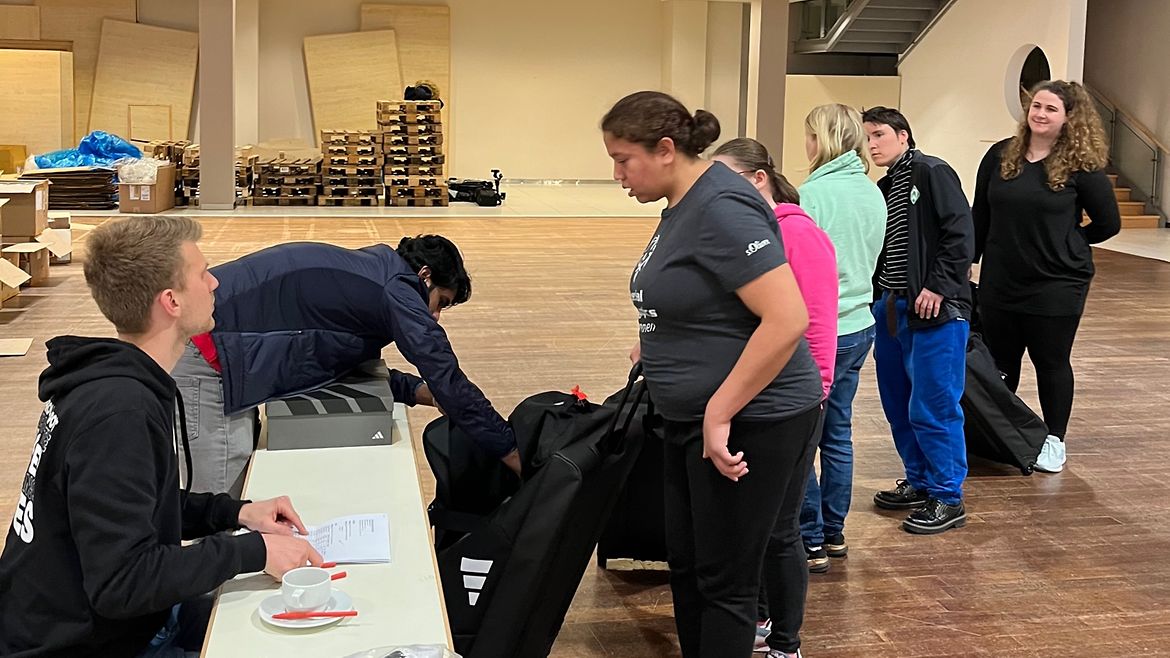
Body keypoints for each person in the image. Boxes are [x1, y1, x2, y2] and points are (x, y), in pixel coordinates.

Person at [0, 216, 323, 657]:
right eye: (203, 274)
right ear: (170, 300)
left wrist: (238, 513)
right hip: (84, 642)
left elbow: (138, 507)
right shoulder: (118, 414)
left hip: (119, 622)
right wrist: (252, 553)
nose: (214, 283)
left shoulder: (116, 386)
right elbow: (123, 582)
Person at [604, 91, 824, 658]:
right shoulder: (681, 205)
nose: (617, 175)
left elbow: (787, 317)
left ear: (667, 150)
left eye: (624, 159)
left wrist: (720, 411)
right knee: (690, 567)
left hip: (754, 418)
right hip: (691, 416)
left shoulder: (721, 205)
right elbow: (704, 296)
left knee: (726, 583)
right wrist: (659, 341)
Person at [173, 236, 520, 497]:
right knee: (217, 508)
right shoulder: (396, 287)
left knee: (237, 494)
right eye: (440, 301)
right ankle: (196, 594)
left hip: (226, 358)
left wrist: (418, 392)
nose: (435, 315)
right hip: (209, 358)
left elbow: (340, 361)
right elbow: (443, 369)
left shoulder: (372, 277)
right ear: (425, 276)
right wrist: (510, 450)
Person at [711, 137, 837, 656]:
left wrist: (818, 393)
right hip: (761, 399)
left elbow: (813, 323)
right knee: (760, 526)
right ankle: (762, 619)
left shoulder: (795, 233)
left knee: (780, 528)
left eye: (726, 179)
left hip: (791, 403)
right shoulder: (756, 232)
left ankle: (786, 640)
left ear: (758, 179)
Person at [972, 80, 1121, 473]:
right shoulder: (1000, 155)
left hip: (1056, 283)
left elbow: (1108, 223)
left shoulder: (1081, 166)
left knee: (1050, 361)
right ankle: (997, 433)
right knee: (999, 360)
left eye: (1050, 109)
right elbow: (979, 216)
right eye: (1036, 106)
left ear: (1069, 117)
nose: (1039, 114)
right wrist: (965, 264)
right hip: (1001, 279)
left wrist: (1072, 241)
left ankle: (1054, 439)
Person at [863, 106, 974, 535]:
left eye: (879, 135)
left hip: (935, 311)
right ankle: (921, 480)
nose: (872, 144)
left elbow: (961, 233)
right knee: (898, 403)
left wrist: (938, 286)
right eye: (867, 137)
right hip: (891, 307)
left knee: (933, 405)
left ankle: (947, 496)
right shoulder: (886, 184)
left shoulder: (932, 172)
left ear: (904, 135)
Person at [793, 104, 887, 569]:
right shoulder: (873, 193)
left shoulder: (813, 195)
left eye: (810, 136)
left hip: (821, 332)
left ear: (824, 139)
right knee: (838, 435)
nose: (805, 144)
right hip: (860, 325)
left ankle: (808, 536)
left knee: (801, 437)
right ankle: (834, 533)